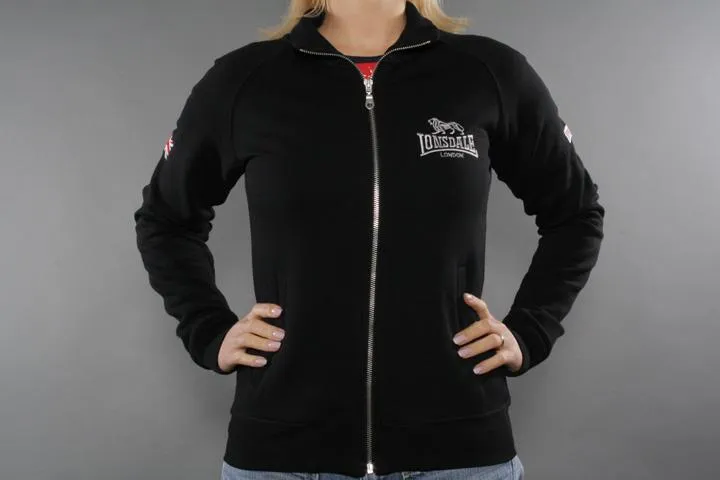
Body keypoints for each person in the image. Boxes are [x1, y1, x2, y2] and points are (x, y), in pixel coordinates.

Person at [133, 0, 605, 479]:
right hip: (285, 453)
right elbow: (166, 221)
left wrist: (529, 330)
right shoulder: (245, 81)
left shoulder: (488, 73)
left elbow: (575, 214)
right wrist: (209, 330)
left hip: (459, 451)